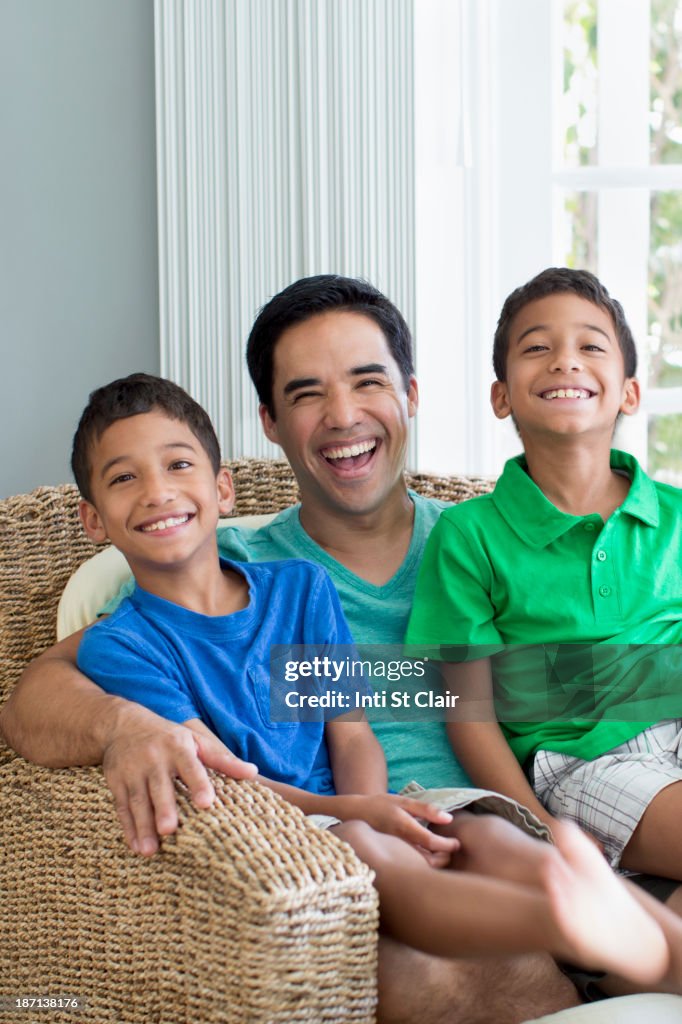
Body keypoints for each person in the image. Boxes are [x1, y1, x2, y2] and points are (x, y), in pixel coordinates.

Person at [0, 274, 593, 1021]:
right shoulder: (228, 560)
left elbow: (615, 680)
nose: (343, 416)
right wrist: (125, 725)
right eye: (308, 393)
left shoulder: (482, 541)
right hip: (333, 866)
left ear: (411, 393)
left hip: (526, 818)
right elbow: (39, 694)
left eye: (367, 381)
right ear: (270, 421)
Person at [67, 370, 671, 982]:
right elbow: (227, 781)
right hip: (282, 827)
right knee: (386, 859)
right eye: (124, 478)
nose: (156, 493)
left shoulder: (300, 587)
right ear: (94, 520)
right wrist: (354, 814)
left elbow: (351, 733)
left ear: (222, 488)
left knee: (483, 837)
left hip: (372, 796)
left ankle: (646, 936)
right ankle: (573, 925)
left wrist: (379, 806)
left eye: (176, 466)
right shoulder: (120, 645)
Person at [406, 266, 682, 890]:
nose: (565, 361)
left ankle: (627, 959)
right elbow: (468, 712)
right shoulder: (470, 534)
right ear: (501, 396)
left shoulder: (676, 516)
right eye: (537, 348)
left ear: (628, 393)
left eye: (590, 345)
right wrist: (539, 833)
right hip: (587, 764)